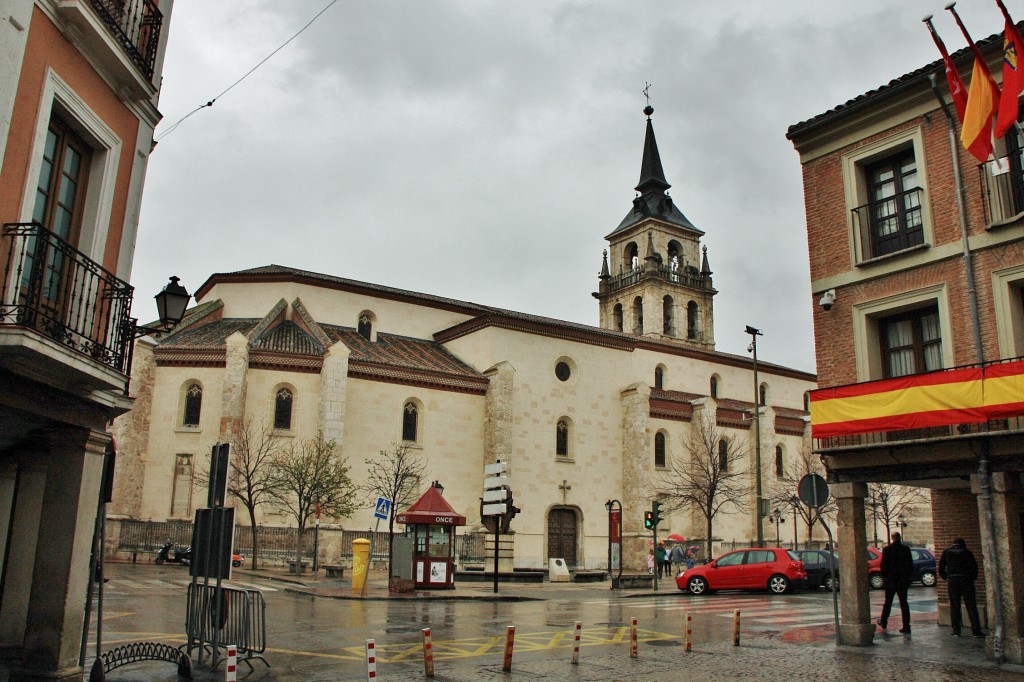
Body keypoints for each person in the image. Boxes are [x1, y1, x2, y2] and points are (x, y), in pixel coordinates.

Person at [939, 538, 986, 638]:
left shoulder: (947, 552)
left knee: (955, 606)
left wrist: (946, 577)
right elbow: (974, 567)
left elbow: (941, 568)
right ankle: (976, 630)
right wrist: (972, 578)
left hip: (953, 580)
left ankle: (956, 630)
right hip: (966, 580)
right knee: (971, 606)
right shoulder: (966, 552)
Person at [876, 532, 914, 634]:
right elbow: (910, 565)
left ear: (892, 538)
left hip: (891, 580)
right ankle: (906, 626)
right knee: (904, 603)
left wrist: (886, 577)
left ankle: (884, 621)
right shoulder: (905, 550)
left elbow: (883, 567)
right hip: (902, 581)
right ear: (900, 538)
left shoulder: (887, 550)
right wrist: (907, 578)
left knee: (888, 602)